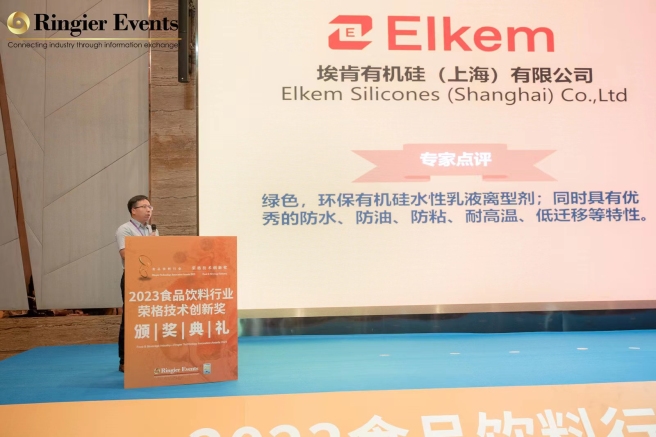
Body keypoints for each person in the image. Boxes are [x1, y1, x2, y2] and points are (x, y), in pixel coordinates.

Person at [115, 195, 158, 372]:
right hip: (132, 278)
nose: (149, 210)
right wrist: (148, 244)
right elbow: (125, 254)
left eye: (150, 207)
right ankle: (125, 360)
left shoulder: (151, 229)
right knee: (130, 319)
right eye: (144, 207)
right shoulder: (124, 229)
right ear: (134, 210)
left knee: (150, 318)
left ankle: (147, 356)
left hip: (151, 278)